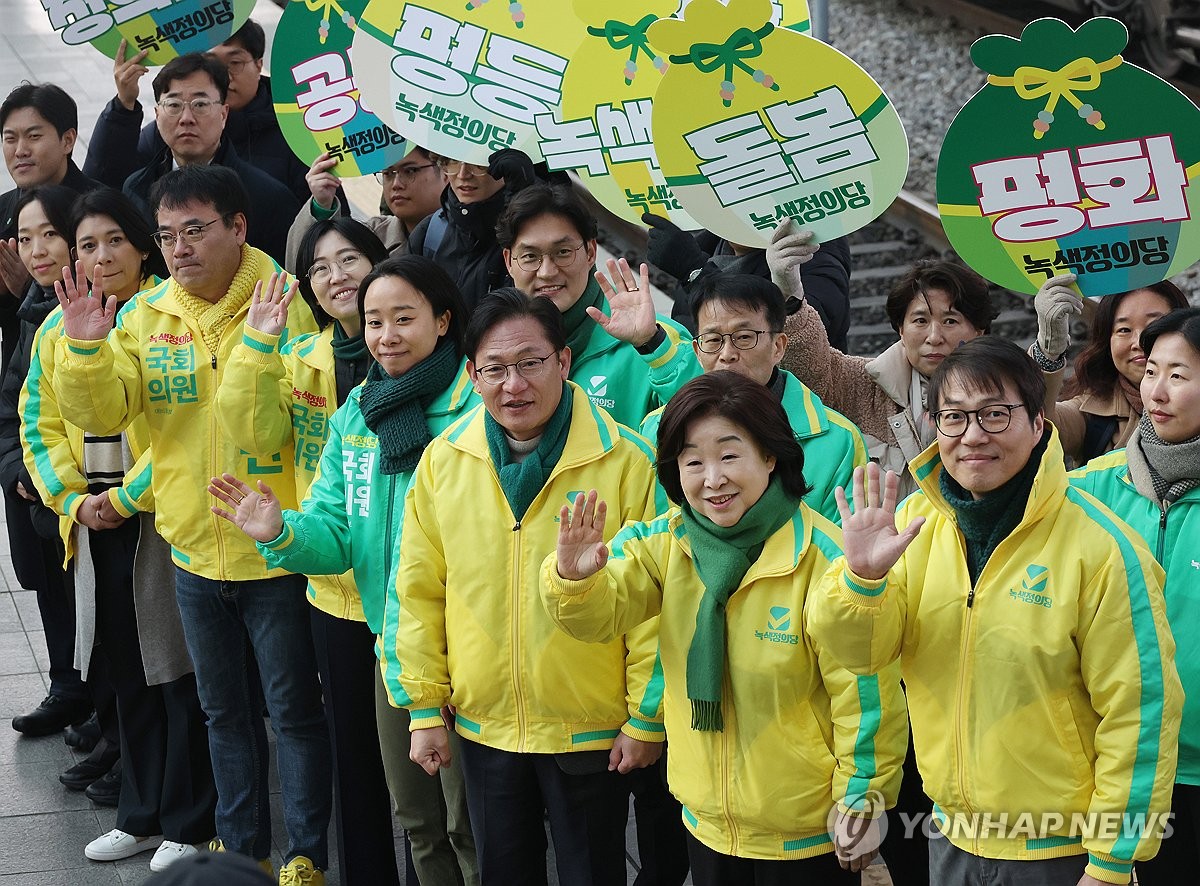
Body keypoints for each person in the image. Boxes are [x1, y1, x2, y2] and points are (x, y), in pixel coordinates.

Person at [810, 336, 1183, 886]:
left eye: (995, 414)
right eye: (953, 418)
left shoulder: (1102, 547)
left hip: (1062, 848)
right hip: (950, 834)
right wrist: (862, 581)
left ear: (1038, 423)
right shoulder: (911, 526)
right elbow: (861, 657)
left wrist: (1111, 861)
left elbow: (1141, 712)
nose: (973, 436)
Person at [50, 165, 329, 884]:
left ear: (239, 228)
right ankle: (241, 852)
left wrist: (260, 348)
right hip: (192, 549)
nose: (179, 249)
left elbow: (281, 426)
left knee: (293, 714)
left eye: (196, 231)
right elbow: (105, 414)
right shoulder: (145, 316)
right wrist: (84, 350)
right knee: (221, 714)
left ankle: (304, 856)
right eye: (167, 235)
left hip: (277, 548)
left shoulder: (284, 304)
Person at [542, 371, 905, 885]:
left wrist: (861, 796)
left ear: (771, 455)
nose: (712, 479)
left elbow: (866, 690)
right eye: (693, 461)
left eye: (730, 456)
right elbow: (602, 616)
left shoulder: (827, 559)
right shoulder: (665, 542)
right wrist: (574, 580)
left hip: (807, 833)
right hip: (708, 821)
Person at [215, 233, 477, 886]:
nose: (385, 334)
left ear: (443, 320)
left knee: (467, 826)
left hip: (473, 646)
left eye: (404, 318)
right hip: (397, 644)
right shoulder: (358, 410)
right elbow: (334, 535)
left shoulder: (477, 407)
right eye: (377, 319)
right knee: (417, 821)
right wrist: (280, 531)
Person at [382, 289, 664, 884]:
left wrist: (646, 717)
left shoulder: (627, 461)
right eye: (495, 369)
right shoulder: (443, 461)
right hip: (484, 725)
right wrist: (423, 707)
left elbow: (656, 606)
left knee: (595, 872)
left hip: (589, 725)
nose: (514, 385)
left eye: (531, 363)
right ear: (472, 376)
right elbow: (416, 592)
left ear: (563, 362)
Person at [20, 188, 217, 872]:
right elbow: (38, 425)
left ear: (142, 247)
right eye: (85, 246)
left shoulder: (169, 317)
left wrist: (128, 498)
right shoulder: (56, 327)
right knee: (123, 673)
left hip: (161, 519)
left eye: (112, 242)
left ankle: (192, 820)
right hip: (92, 522)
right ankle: (141, 814)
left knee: (176, 674)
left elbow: (188, 429)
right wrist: (72, 502)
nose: (98, 258)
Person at [1068, 307, 1200, 885]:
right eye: (1153, 372)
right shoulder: (1091, 488)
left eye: (1181, 374)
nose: (1158, 391)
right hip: (1116, 771)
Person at [773, 223, 996, 496]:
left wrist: (1049, 352)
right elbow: (811, 366)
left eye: (950, 320)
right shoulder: (862, 383)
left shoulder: (1003, 389)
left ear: (979, 330)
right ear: (900, 328)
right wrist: (789, 296)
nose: (934, 336)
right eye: (920, 321)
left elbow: (1042, 409)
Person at [640, 273, 865, 522]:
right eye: (713, 340)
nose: (727, 354)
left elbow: (842, 549)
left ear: (778, 346)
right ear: (697, 351)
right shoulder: (656, 429)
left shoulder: (837, 440)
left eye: (744, 337)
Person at [0, 186, 93, 737]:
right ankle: (74, 693)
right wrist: (23, 474)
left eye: (50, 235)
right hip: (41, 488)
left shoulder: (90, 311)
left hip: (91, 495)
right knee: (51, 584)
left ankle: (104, 719)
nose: (37, 250)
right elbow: (12, 412)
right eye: (25, 237)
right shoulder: (33, 310)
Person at [498, 182, 702, 430]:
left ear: (591, 252)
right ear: (509, 261)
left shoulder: (655, 337)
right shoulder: (493, 344)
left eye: (563, 252)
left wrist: (651, 343)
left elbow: (710, 418)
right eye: (530, 256)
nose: (547, 272)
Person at [90, 52, 299, 262]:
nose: (186, 118)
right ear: (157, 114)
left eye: (200, 104)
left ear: (224, 114)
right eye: (173, 105)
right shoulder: (136, 189)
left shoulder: (268, 197)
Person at [84, 22, 311, 201]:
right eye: (210, 62)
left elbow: (321, 215)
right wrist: (124, 105)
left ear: (259, 64)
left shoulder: (294, 129)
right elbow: (102, 187)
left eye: (235, 62)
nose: (223, 75)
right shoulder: (167, 132)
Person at [1032, 275, 1189, 465]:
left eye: (1155, 325)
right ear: (1106, 341)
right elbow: (1037, 425)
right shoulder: (1092, 417)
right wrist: (1050, 348)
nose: (1139, 342)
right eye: (1124, 330)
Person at [1, 83, 100, 375]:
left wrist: (29, 287)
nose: (20, 150)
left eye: (33, 136)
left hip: (88, 366)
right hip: (19, 374)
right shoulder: (4, 211)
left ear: (68, 140)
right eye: (10, 138)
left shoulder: (100, 210)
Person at [642, 211, 853, 348]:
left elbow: (798, 344)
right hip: (708, 405)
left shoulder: (812, 255)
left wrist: (696, 274)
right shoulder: (706, 248)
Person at [406, 150, 540, 313]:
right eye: (453, 160)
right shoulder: (428, 233)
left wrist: (526, 198)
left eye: (479, 163)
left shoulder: (538, 220)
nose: (463, 174)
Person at [284, 147, 446, 271]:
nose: (396, 184)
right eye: (388, 173)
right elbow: (299, 272)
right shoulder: (370, 234)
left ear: (445, 171)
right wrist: (322, 205)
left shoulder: (466, 235)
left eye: (410, 171)